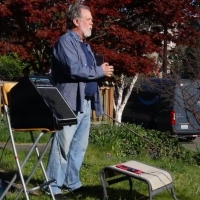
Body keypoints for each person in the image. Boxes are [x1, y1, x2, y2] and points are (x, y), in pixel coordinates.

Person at [45, 3, 114, 200]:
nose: (92, 22)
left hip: (84, 102)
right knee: (63, 145)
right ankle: (53, 187)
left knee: (78, 147)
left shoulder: (85, 45)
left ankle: (72, 182)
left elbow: (87, 73)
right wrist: (99, 71)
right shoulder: (65, 42)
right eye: (88, 18)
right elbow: (74, 69)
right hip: (68, 102)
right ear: (76, 21)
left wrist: (101, 72)